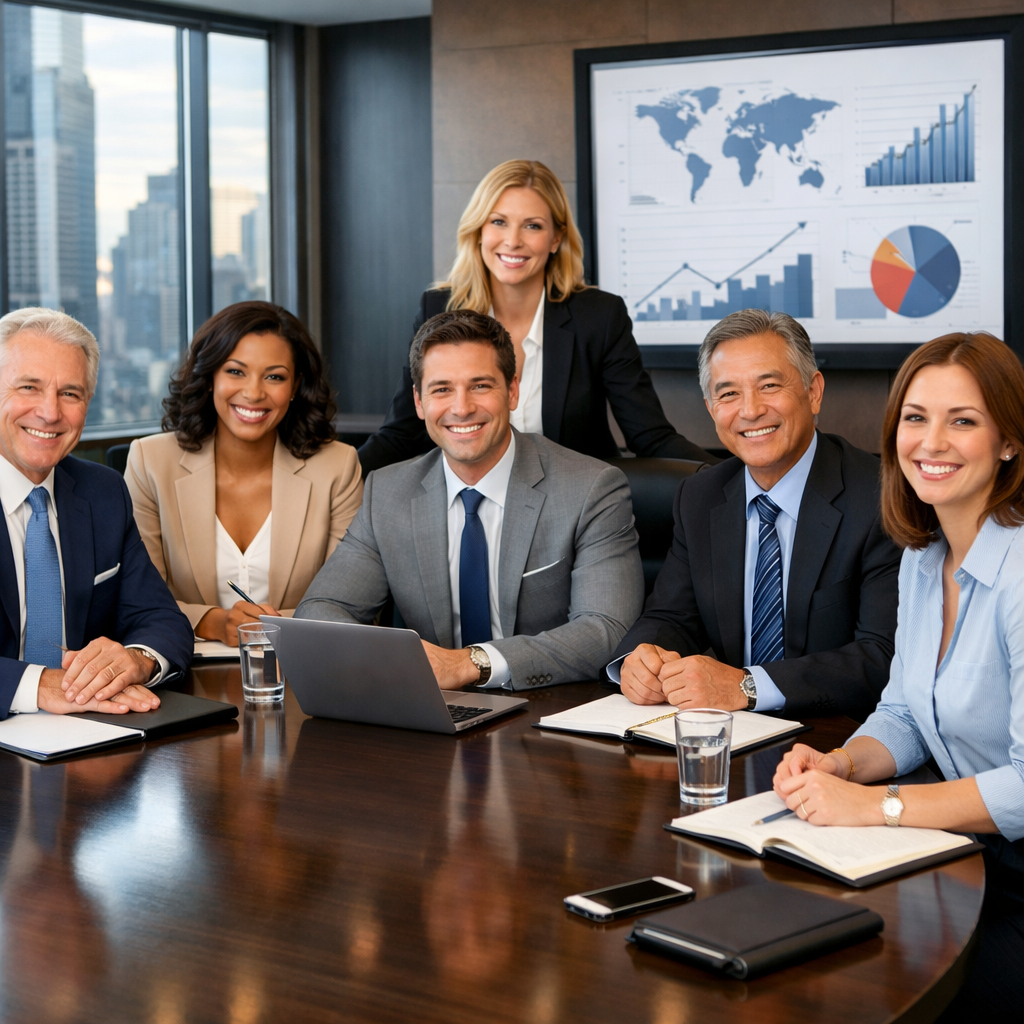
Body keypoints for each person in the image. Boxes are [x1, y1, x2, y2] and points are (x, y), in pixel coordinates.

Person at [771, 332, 1024, 1023]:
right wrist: (844, 763)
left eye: (963, 420)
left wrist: (876, 808)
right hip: (967, 853)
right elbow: (906, 713)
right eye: (916, 417)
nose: (931, 442)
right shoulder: (924, 558)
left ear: (1009, 442)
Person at [297, 309, 644, 690]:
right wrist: (397, 659)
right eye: (441, 389)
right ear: (418, 401)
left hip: (548, 713)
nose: (461, 408)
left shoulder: (591, 488)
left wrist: (470, 663)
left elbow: (607, 629)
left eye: (480, 386)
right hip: (433, 713)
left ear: (512, 390)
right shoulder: (388, 492)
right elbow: (321, 610)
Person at [609, 309, 901, 721]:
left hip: (843, 736)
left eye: (769, 385)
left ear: (813, 391)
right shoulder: (700, 495)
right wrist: (639, 658)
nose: (750, 410)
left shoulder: (881, 497)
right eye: (728, 394)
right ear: (711, 409)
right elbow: (670, 616)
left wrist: (745, 685)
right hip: (733, 735)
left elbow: (883, 657)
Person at [357, 159, 713, 475]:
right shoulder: (438, 310)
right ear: (479, 230)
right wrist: (333, 479)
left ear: (556, 238)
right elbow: (401, 433)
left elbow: (650, 435)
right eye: (499, 222)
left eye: (533, 226)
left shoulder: (599, 316)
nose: (513, 241)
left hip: (576, 514)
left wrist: (739, 477)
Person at [126, 302, 363, 645]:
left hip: (302, 669)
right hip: (184, 671)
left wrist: (272, 626)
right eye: (236, 371)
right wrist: (213, 622)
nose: (253, 393)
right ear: (210, 377)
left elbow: (348, 602)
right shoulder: (150, 461)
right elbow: (139, 600)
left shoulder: (337, 467)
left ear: (295, 386)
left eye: (274, 377)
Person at [0, 307, 193, 720]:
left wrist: (135, 660)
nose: (50, 412)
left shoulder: (103, 491)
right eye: (29, 387)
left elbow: (161, 618)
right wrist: (37, 685)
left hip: (91, 737)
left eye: (70, 393)